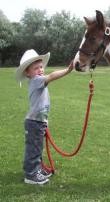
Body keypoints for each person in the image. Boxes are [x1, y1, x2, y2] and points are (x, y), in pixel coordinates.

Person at [16, 49, 73, 185]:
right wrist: (68, 70)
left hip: (38, 121)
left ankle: (36, 169)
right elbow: (52, 76)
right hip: (34, 122)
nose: (40, 70)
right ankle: (31, 175)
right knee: (34, 148)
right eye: (36, 68)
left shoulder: (38, 80)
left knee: (36, 147)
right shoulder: (36, 81)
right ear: (27, 73)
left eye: (41, 67)